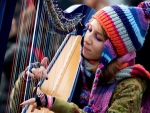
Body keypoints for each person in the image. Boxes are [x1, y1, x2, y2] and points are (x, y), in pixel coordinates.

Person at [11, 1, 150, 113]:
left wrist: (53, 103)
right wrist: (27, 80)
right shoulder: (76, 66)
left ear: (113, 50)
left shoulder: (131, 87)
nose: (87, 39)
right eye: (89, 29)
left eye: (98, 37)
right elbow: (15, 107)